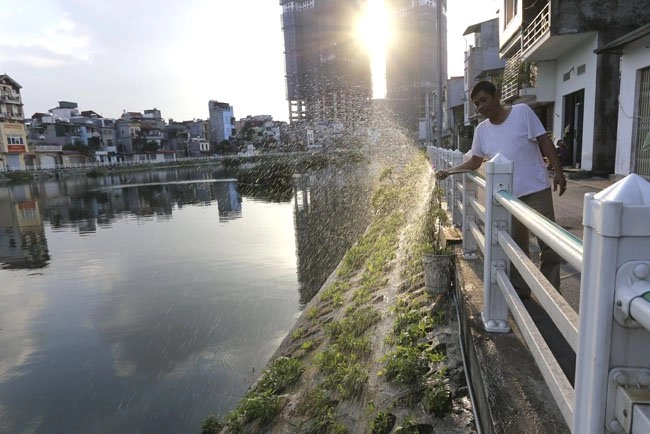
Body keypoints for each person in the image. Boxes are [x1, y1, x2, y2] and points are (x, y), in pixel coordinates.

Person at [436, 80, 567, 296]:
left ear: (497, 95)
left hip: (536, 190)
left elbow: (544, 140)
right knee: (516, 249)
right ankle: (521, 292)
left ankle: (552, 295)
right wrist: (449, 171)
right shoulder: (482, 130)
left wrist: (559, 172)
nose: (480, 106)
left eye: (483, 100)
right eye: (477, 103)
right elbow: (475, 162)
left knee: (549, 245)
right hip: (509, 198)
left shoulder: (522, 112)